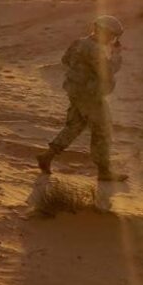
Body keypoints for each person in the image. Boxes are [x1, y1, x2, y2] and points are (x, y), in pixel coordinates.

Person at [36, 15, 127, 182]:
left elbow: (65, 60)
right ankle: (104, 171)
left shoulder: (79, 42)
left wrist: (82, 71)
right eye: (112, 35)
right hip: (90, 96)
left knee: (74, 126)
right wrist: (116, 55)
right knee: (102, 130)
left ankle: (47, 156)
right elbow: (107, 71)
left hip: (75, 91)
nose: (113, 39)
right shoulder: (95, 49)